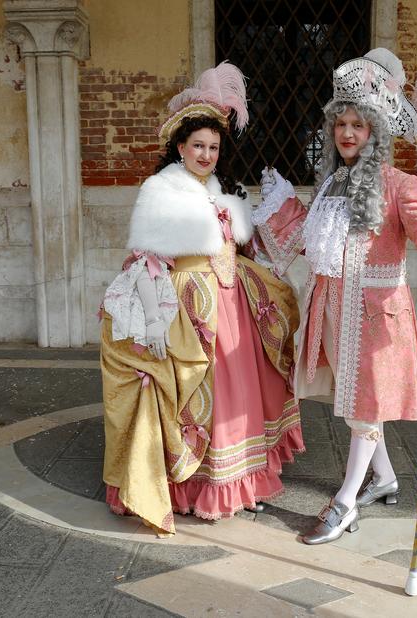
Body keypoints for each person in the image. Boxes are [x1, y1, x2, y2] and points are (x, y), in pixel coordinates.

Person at [253, 48, 417, 544]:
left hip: (377, 318)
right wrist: (279, 203)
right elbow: (309, 241)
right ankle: (383, 479)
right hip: (333, 311)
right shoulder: (331, 185)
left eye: (359, 125)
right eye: (340, 123)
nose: (347, 133)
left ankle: (344, 503)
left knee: (364, 406)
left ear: (376, 132)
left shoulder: (399, 183)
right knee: (360, 401)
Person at [99, 61, 303, 537]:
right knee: (199, 396)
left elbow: (237, 243)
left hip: (232, 307)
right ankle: (194, 486)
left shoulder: (217, 191)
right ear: (180, 147)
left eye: (213, 147)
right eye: (199, 146)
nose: (207, 154)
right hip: (190, 312)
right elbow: (147, 259)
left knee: (239, 395)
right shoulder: (160, 190)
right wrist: (152, 325)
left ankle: (239, 480)